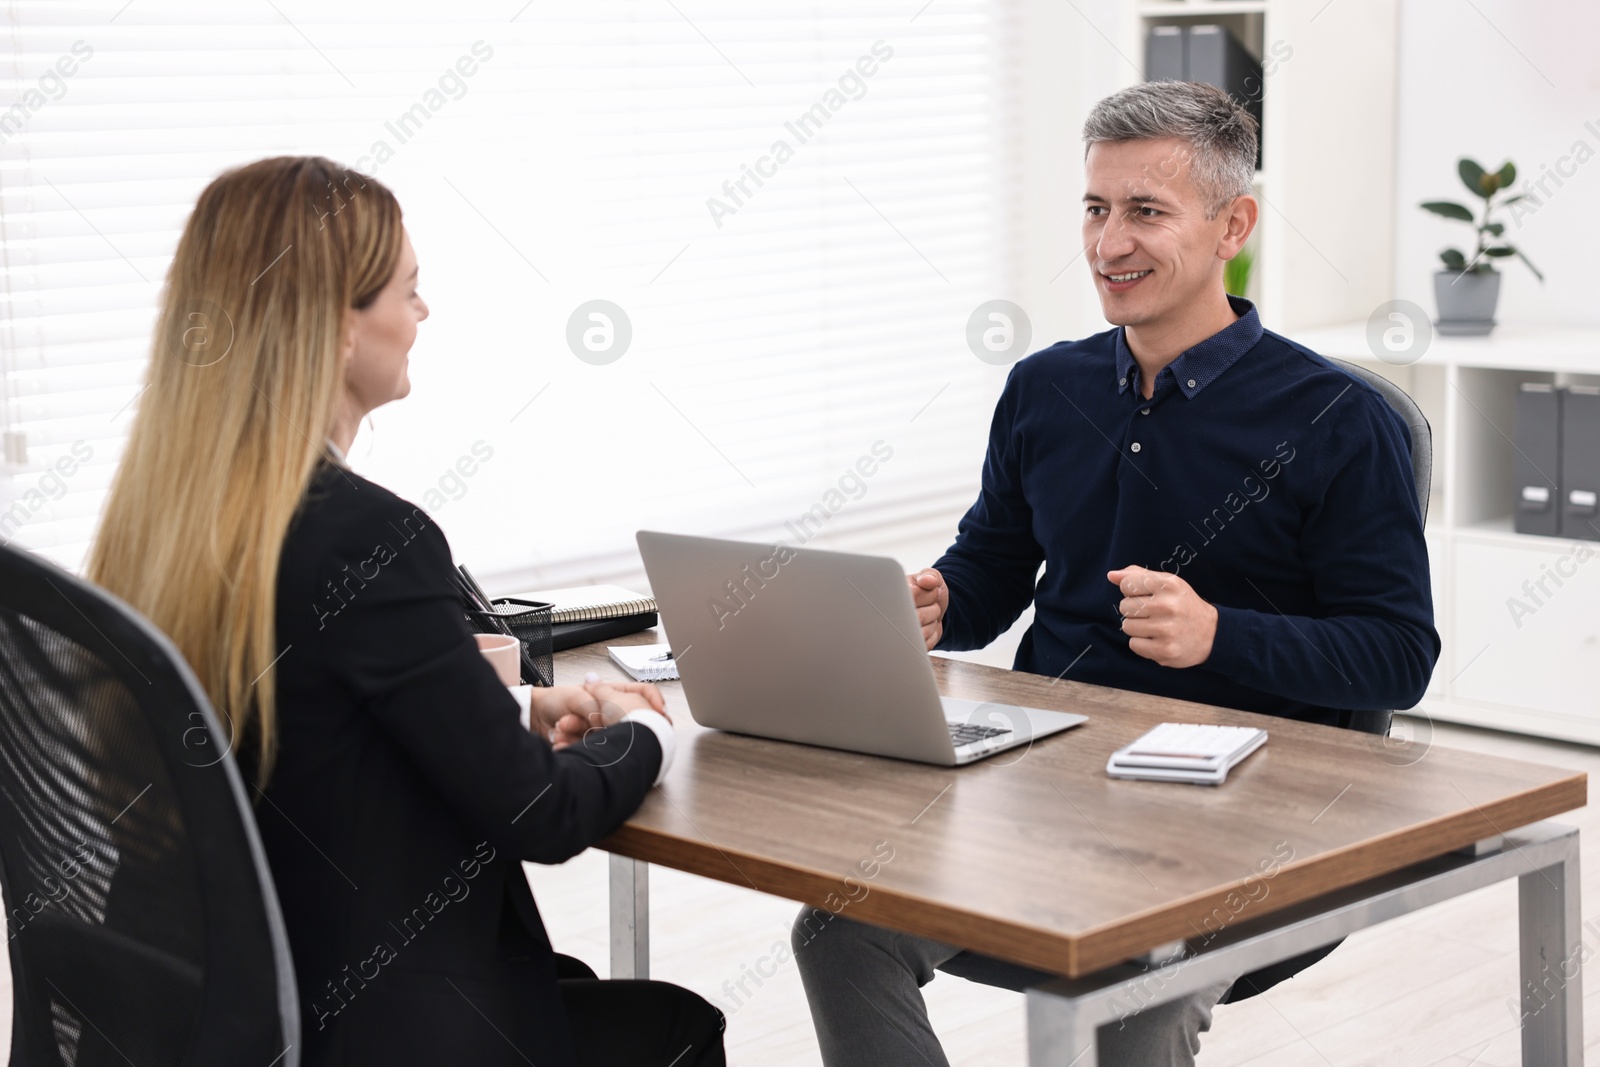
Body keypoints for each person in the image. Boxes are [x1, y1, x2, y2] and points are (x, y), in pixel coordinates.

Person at [790, 81, 1440, 1067]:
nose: (1109, 244)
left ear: (1234, 225)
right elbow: (995, 563)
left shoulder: (1339, 420)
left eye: (1146, 211)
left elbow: (1397, 656)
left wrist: (1220, 634)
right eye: (1095, 209)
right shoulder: (1046, 386)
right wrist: (940, 602)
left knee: (1133, 990)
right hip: (1050, 777)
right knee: (839, 924)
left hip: (1257, 813)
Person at [87, 156, 725, 1067]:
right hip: (369, 1019)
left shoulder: (162, 531)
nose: (422, 315)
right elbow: (542, 813)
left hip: (213, 1014)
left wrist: (502, 708)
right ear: (338, 329)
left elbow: (295, 722)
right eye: (407, 291)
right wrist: (643, 729)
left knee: (575, 985)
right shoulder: (366, 537)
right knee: (672, 1026)